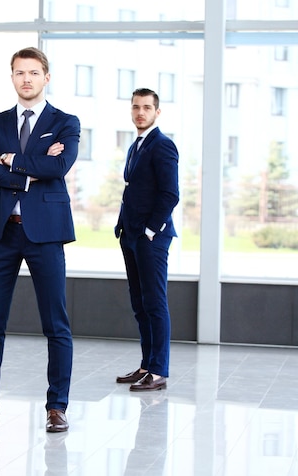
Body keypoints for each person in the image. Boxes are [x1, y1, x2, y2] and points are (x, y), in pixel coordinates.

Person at [0, 47, 80, 432]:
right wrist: (30, 169)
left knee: (55, 324)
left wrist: (12, 161)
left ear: (46, 77)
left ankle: (56, 407)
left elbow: (60, 165)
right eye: (18, 73)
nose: (26, 79)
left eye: (33, 72)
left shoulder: (66, 122)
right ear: (12, 78)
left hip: (45, 233)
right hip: (1, 230)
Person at [114, 88, 179, 391]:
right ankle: (146, 364)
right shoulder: (136, 146)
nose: (141, 112)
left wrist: (151, 231)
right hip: (131, 235)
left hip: (151, 237)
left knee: (155, 302)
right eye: (136, 107)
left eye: (147, 108)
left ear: (157, 112)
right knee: (140, 303)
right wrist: (124, 228)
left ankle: (159, 370)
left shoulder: (163, 145)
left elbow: (170, 194)